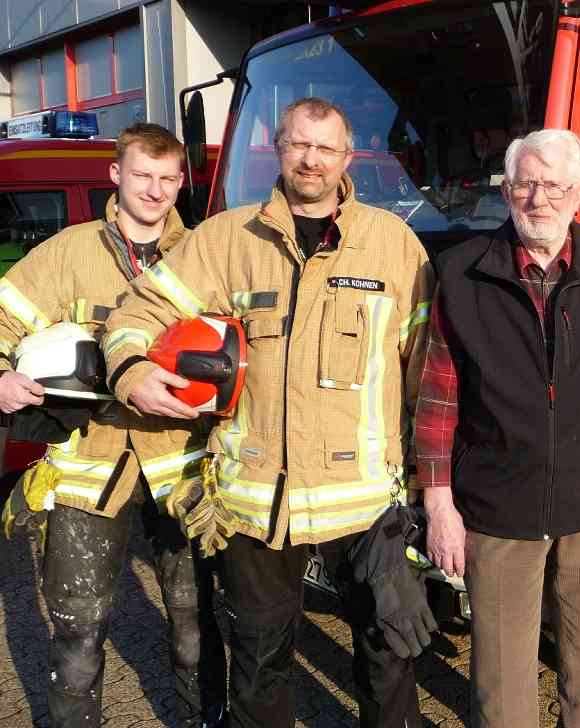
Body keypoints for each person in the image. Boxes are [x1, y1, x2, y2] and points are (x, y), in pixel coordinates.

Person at [100, 98, 435, 728]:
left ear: (348, 156)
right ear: (278, 149)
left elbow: (426, 370)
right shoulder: (226, 240)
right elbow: (135, 315)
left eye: (325, 148)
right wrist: (135, 372)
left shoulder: (393, 244)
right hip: (256, 508)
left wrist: (425, 488)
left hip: (367, 507)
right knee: (259, 668)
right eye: (298, 145)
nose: (311, 160)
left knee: (389, 665)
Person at [416, 128, 580, 728]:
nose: (539, 198)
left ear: (579, 193)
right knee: (501, 695)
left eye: (554, 184)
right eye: (526, 183)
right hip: (498, 506)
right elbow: (437, 396)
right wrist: (439, 504)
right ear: (507, 191)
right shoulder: (460, 273)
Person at [0, 123, 225, 727]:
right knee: (79, 632)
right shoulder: (69, 251)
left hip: (183, 467)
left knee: (195, 624)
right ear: (116, 175)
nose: (154, 190)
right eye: (142, 175)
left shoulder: (206, 251)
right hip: (89, 467)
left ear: (182, 181)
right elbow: (3, 316)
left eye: (167, 178)